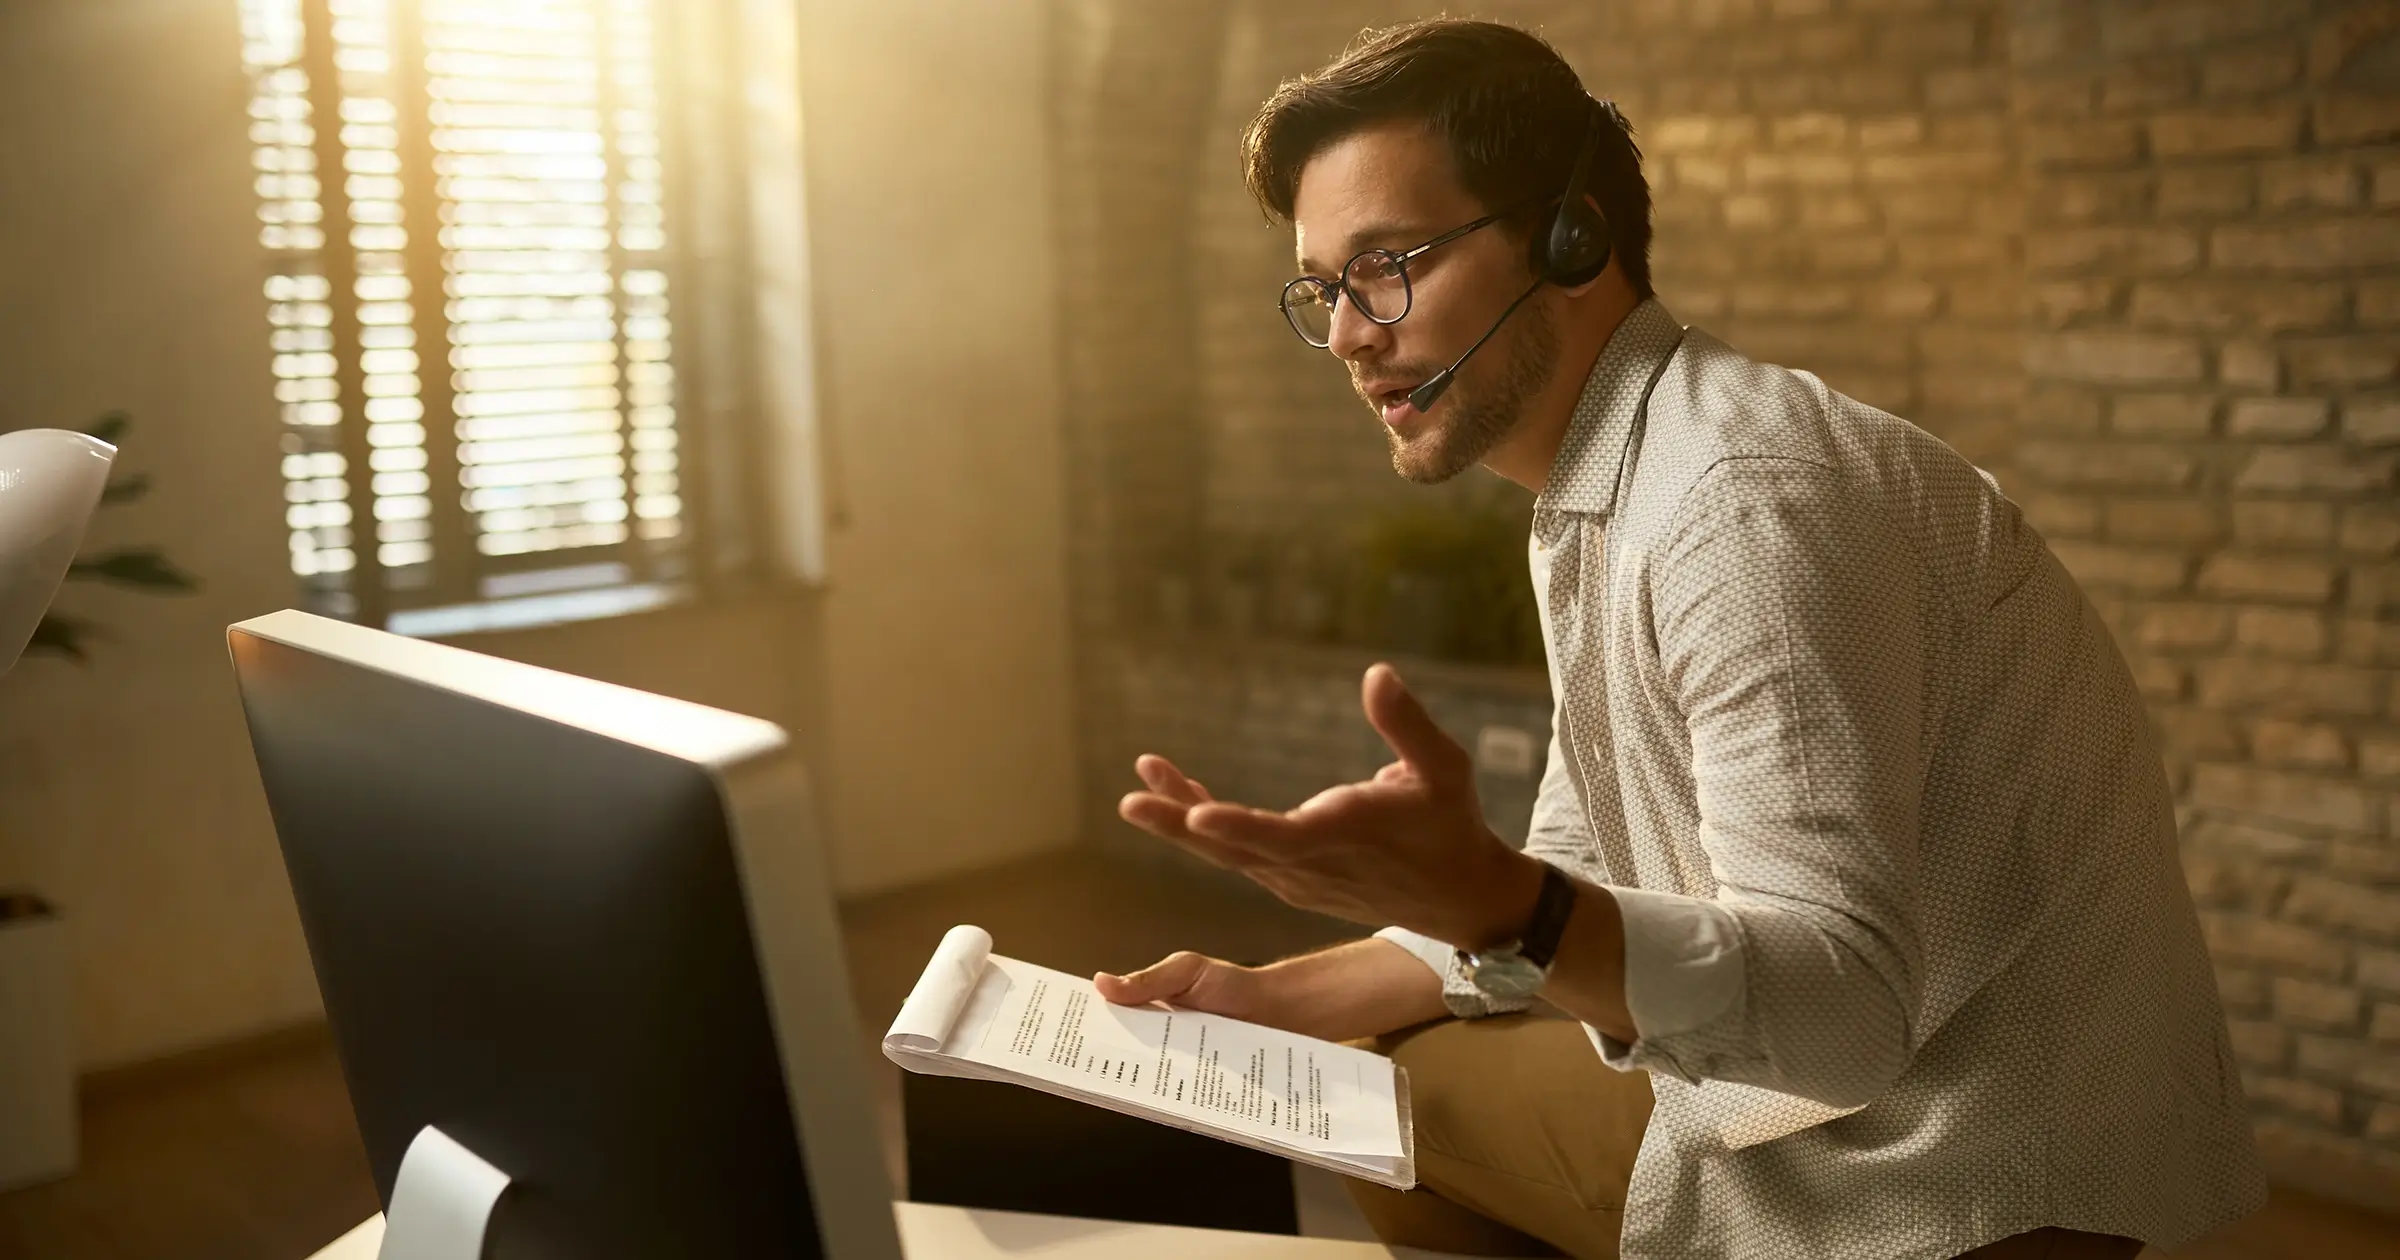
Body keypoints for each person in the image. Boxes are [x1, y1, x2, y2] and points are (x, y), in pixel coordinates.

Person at [1094, 18, 2265, 1260]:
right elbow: (1576, 855)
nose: (1346, 334)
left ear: (1571, 238)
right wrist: (1272, 997)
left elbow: (1846, 1016)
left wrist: (1502, 910)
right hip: (1891, 1101)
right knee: (1355, 1049)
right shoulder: (1613, 485)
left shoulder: (1740, 504)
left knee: (1389, 1096)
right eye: (1324, 288)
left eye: (1388, 265)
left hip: (1961, 1161)